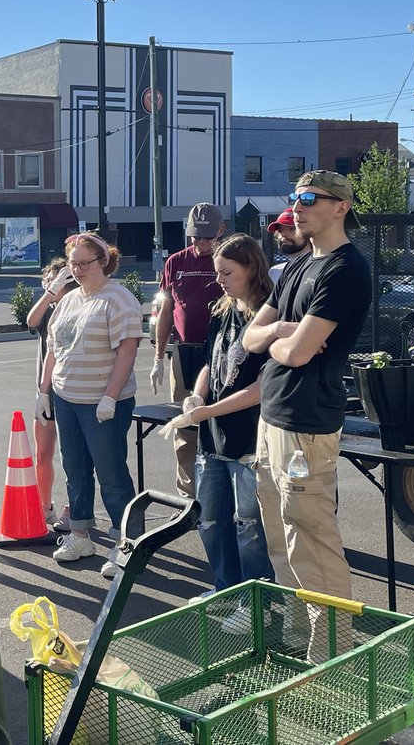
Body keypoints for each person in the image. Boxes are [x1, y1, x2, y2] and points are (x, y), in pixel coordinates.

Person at [242, 171, 372, 659]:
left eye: (309, 198)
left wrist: (283, 337)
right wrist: (288, 331)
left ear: (340, 207)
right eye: (294, 196)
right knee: (279, 534)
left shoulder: (346, 269)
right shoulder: (298, 265)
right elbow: (251, 339)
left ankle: (332, 653)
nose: (297, 206)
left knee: (311, 537)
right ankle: (298, 636)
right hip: (272, 416)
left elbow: (297, 355)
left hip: (307, 424)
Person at [165, 235, 275, 629]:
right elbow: (211, 364)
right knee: (211, 519)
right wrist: (196, 397)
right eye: (217, 272)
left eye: (228, 272)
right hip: (212, 436)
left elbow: (261, 388)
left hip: (249, 439)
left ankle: (256, 601)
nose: (220, 280)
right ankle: (225, 588)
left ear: (251, 268)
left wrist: (209, 408)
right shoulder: (221, 310)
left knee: (249, 526)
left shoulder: (267, 315)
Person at [38, 233, 142, 578]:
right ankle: (80, 534)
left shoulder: (118, 298)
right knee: (76, 470)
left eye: (86, 262)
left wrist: (111, 395)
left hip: (102, 402)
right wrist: (44, 391)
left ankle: (125, 542)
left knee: (111, 472)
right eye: (73, 263)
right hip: (67, 397)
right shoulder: (69, 301)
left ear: (104, 262)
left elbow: (127, 350)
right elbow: (55, 348)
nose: (78, 270)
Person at [152, 203, 225, 498]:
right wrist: (159, 356)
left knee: (220, 423)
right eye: (196, 236)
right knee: (184, 425)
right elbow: (166, 309)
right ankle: (188, 495)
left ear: (221, 230)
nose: (202, 242)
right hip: (183, 351)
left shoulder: (229, 259)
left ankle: (220, 493)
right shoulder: (175, 262)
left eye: (208, 236)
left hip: (220, 353)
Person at [26, 258, 78, 529]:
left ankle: (74, 507)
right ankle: (44, 506)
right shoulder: (47, 309)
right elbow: (31, 320)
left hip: (73, 392)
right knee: (43, 453)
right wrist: (49, 294)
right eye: (48, 282)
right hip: (45, 393)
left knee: (72, 455)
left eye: (59, 281)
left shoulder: (79, 306)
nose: (53, 286)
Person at [266, 208, 309, 285]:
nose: (284, 234)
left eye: (292, 229)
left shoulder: (321, 268)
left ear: (308, 233)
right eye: (280, 230)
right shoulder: (275, 272)